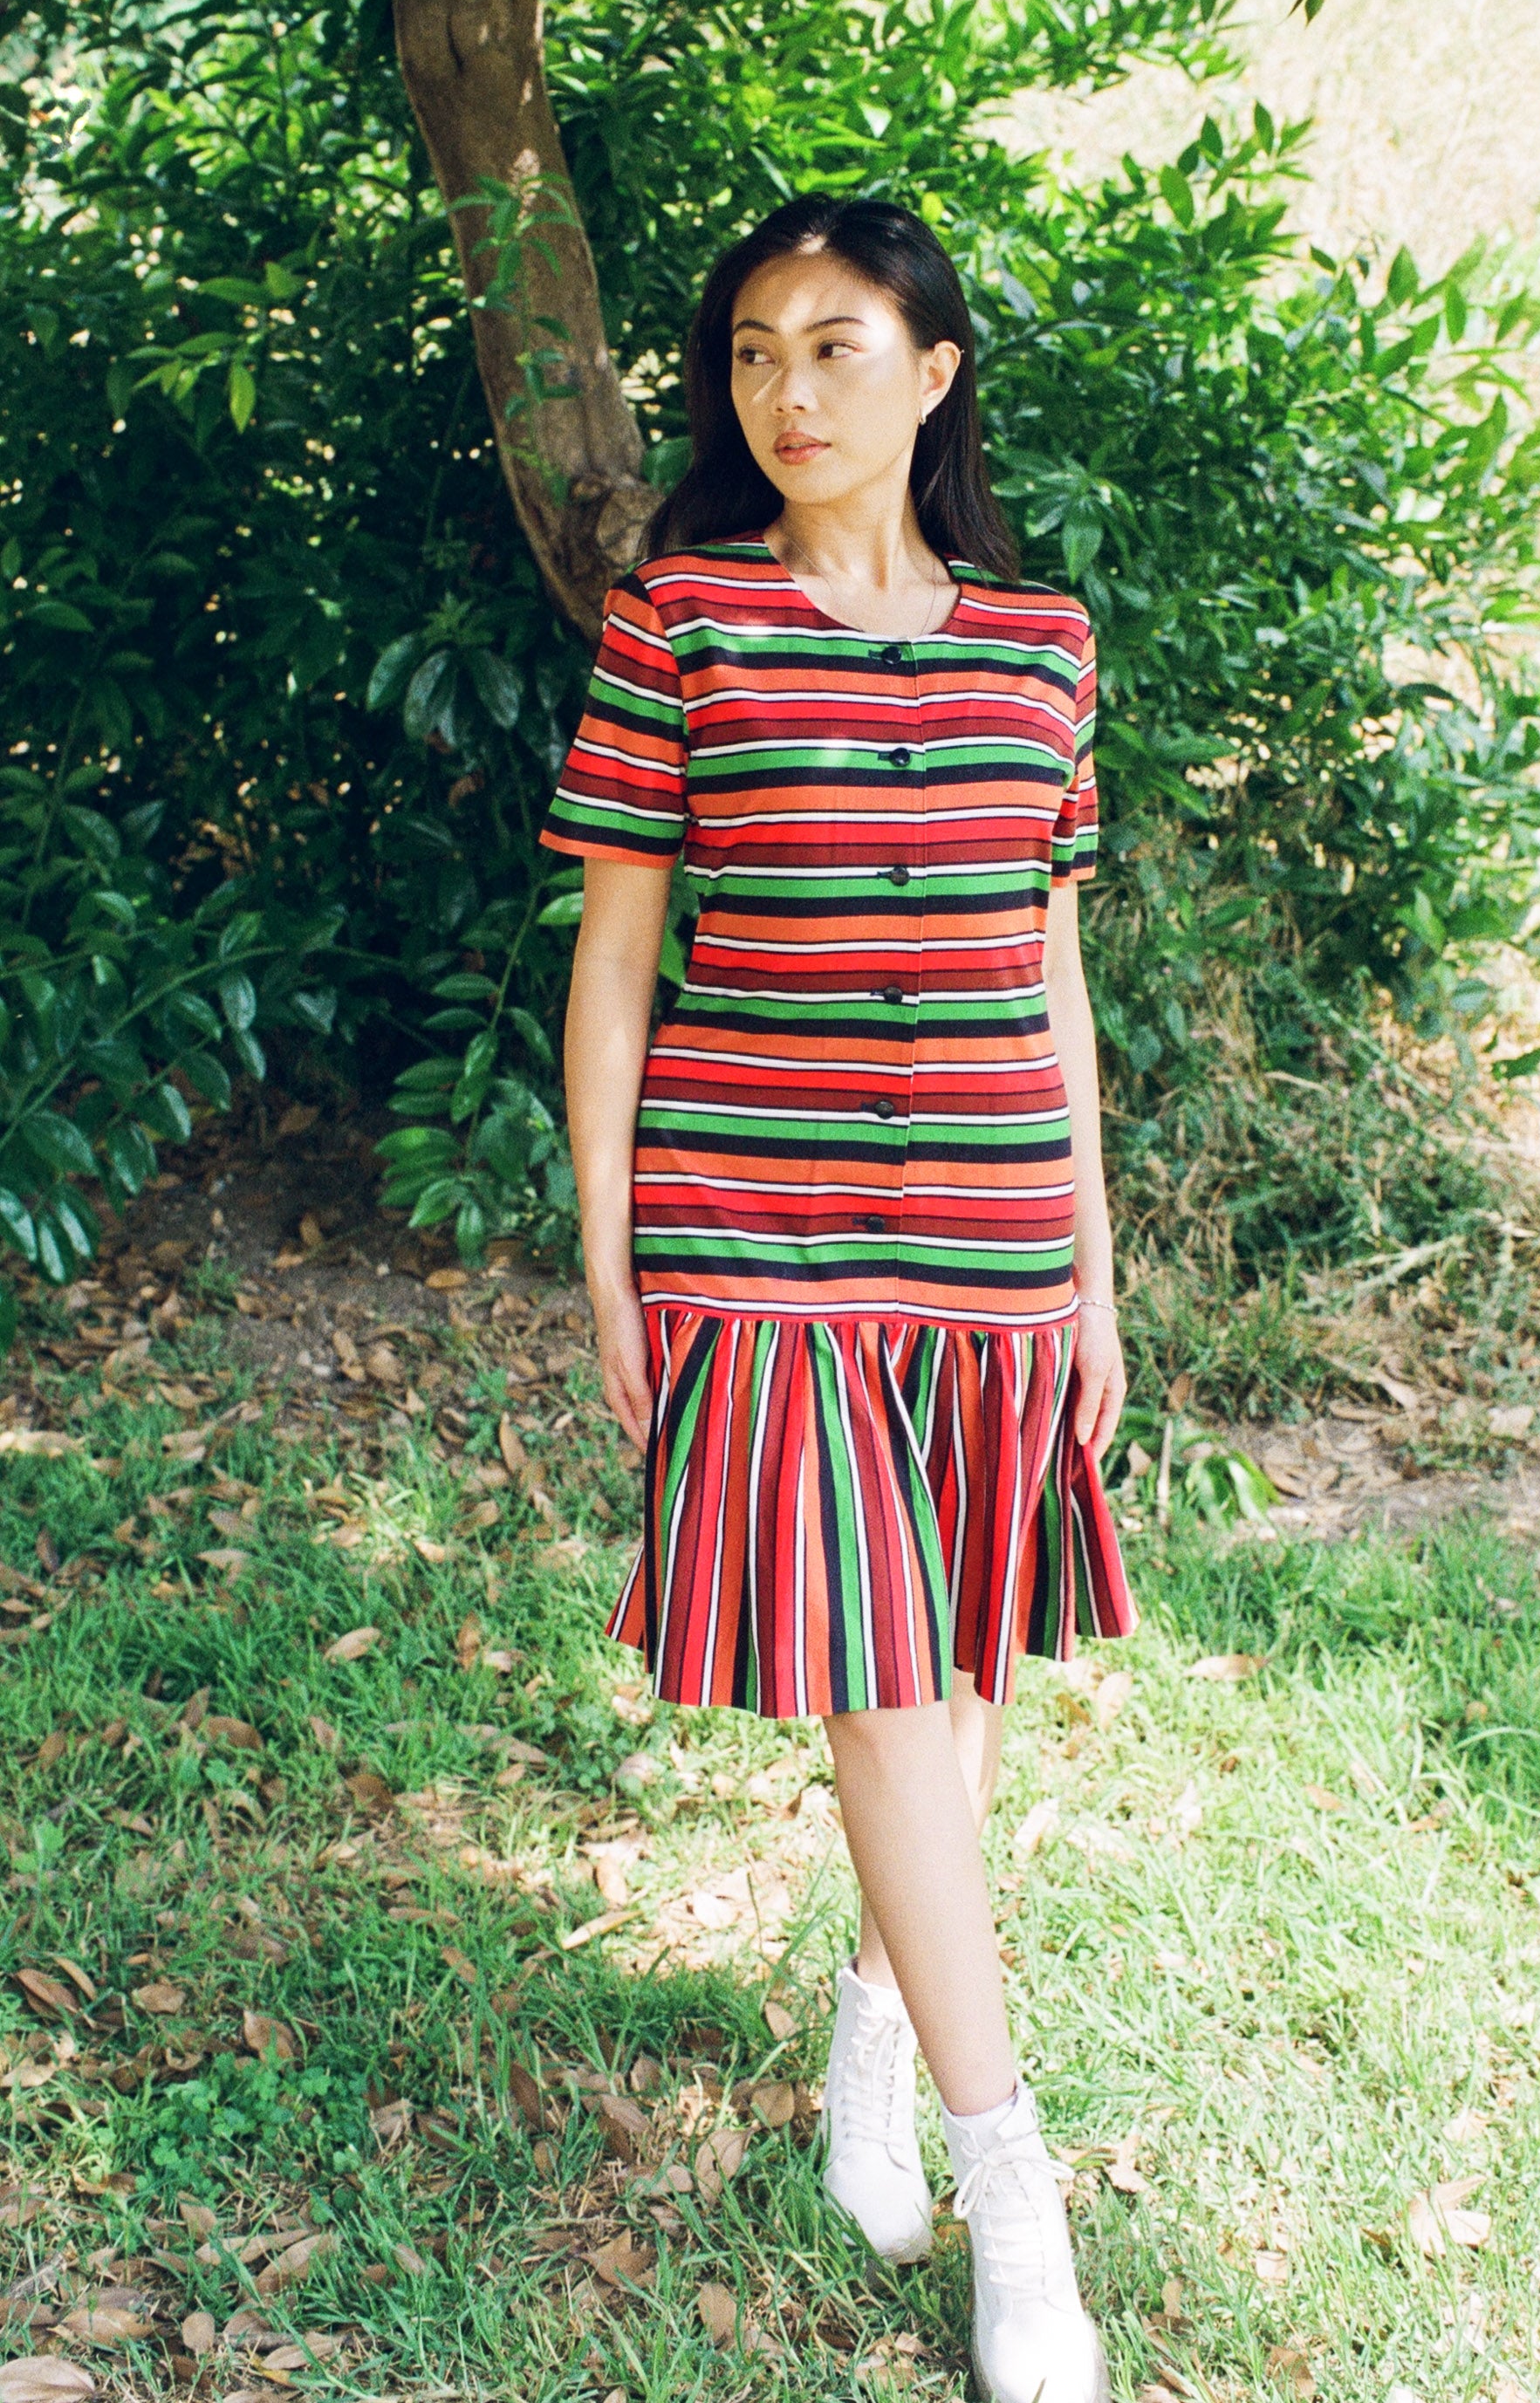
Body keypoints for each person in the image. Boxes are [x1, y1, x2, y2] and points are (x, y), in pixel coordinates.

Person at [544, 193, 1135, 2403]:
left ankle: (871, 2057)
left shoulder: (1040, 644)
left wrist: (1090, 1264)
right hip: (752, 1235)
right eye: (754, 354)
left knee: (957, 1687)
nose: (787, 392)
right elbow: (617, 958)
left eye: (836, 345)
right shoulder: (676, 620)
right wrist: (608, 1256)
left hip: (987, 1236)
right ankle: (1019, 2209)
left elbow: (1043, 961)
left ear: (932, 373)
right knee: (884, 1693)